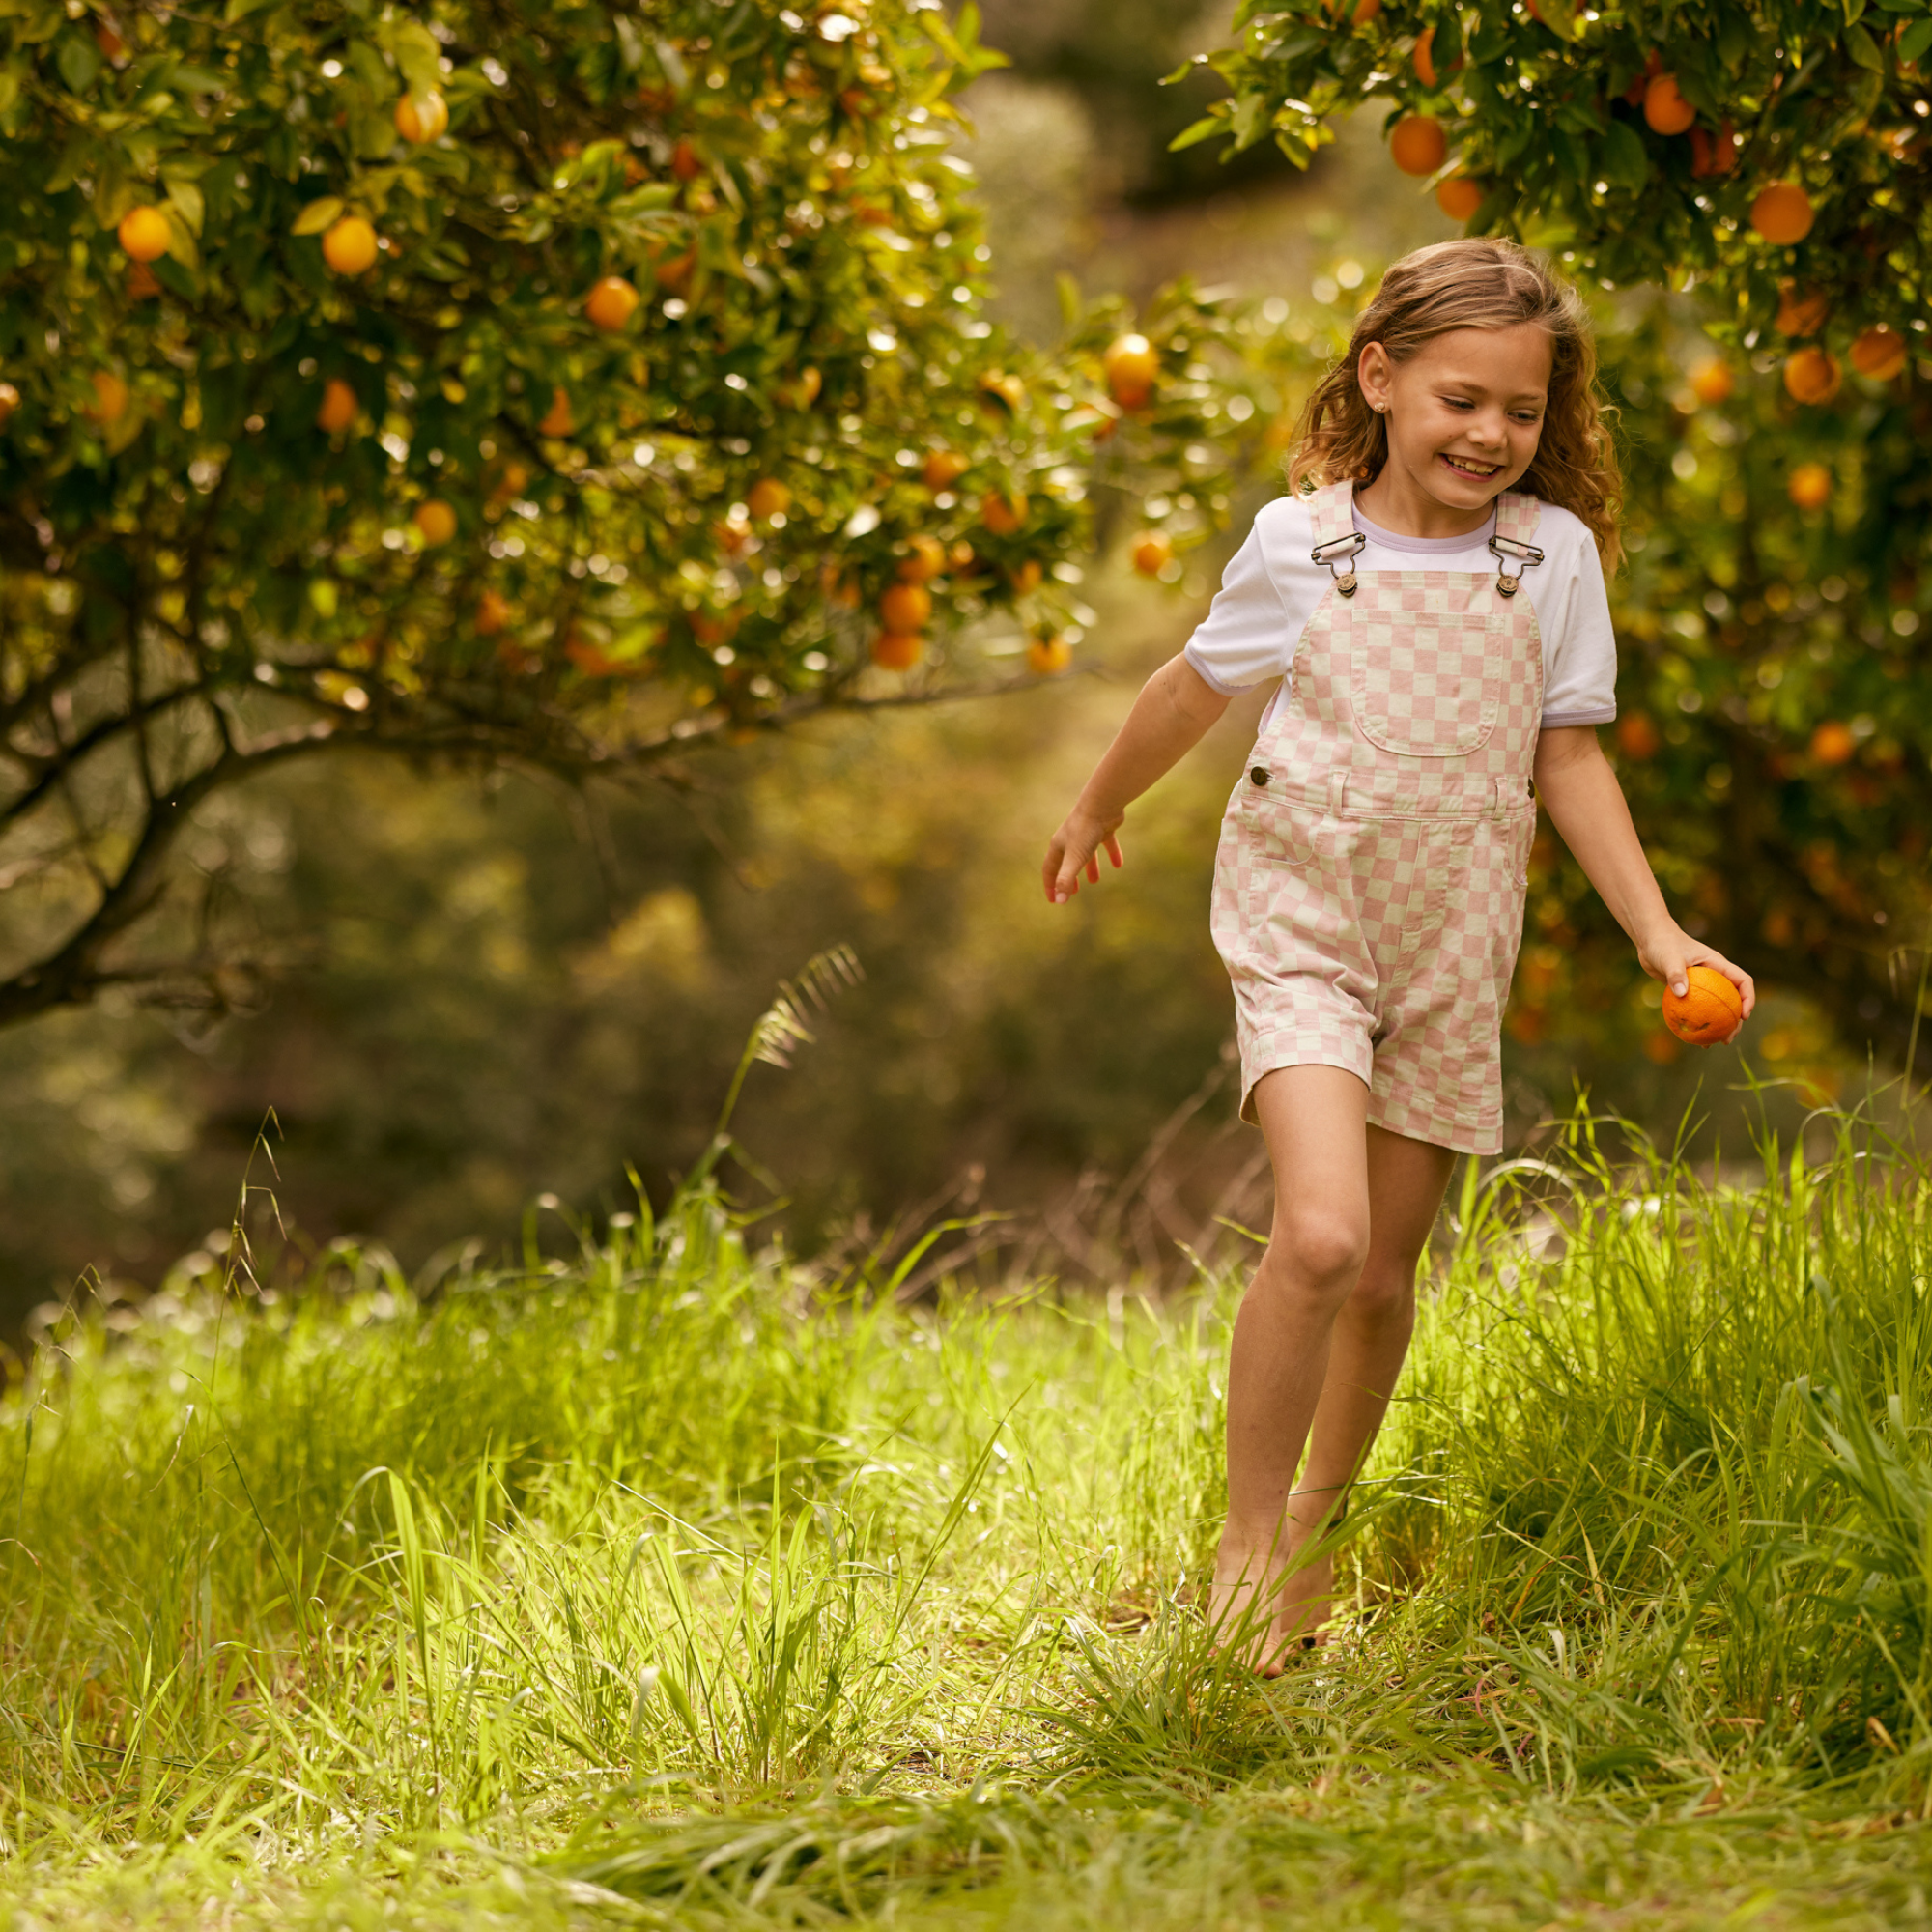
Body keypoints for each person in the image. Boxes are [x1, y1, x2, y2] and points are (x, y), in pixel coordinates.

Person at [1040, 238, 1753, 1674]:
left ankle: (1316, 1528)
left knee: (1381, 1276)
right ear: (1381, 378)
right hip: (1306, 916)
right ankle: (1246, 1549)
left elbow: (1572, 762)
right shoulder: (1303, 544)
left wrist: (1657, 930)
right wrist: (1101, 798)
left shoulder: (1547, 561)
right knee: (1321, 1233)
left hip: (1453, 939)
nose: (1491, 434)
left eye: (1524, 411)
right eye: (1459, 399)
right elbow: (1195, 686)